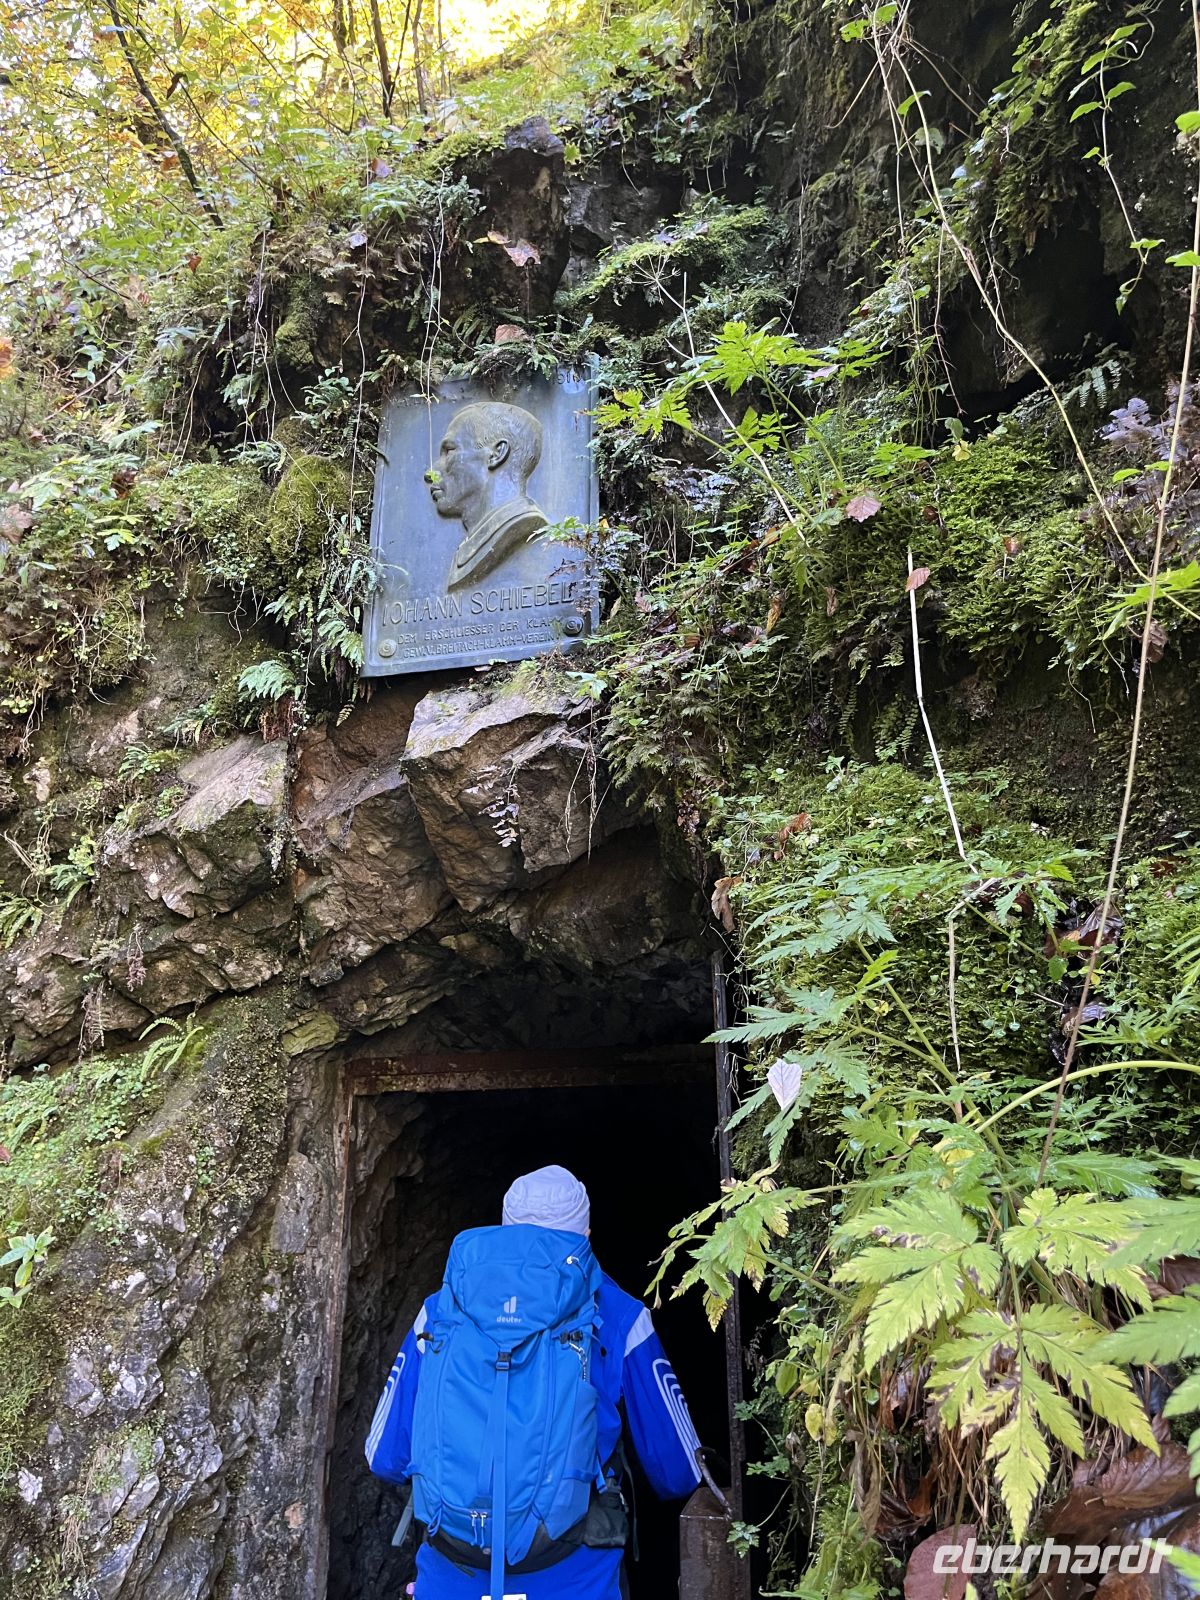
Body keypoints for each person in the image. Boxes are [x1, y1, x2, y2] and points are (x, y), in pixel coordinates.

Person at [365, 1164, 703, 1599]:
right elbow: (678, 1471)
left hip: (453, 1575)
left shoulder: (439, 1312)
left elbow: (383, 1456)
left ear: (504, 1231)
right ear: (586, 1237)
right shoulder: (620, 1317)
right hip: (575, 1579)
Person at [424, 401, 550, 591]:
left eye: (449, 451)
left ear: (496, 454)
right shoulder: (469, 548)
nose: (431, 472)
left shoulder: (522, 528)